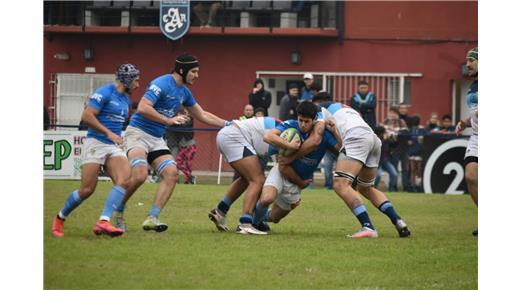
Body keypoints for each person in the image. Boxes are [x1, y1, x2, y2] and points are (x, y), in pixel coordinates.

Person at [115, 53, 230, 233]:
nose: (197, 75)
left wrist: (228, 124)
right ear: (182, 70)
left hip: (156, 139)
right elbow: (144, 107)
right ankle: (118, 210)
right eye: (194, 71)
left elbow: (202, 114)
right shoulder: (161, 83)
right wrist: (167, 120)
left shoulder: (184, 91)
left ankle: (152, 218)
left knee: (171, 174)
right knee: (139, 175)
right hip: (137, 134)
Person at [51, 63, 141, 237]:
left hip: (113, 146)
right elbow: (86, 116)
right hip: (95, 143)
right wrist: (109, 133)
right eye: (136, 81)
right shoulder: (104, 92)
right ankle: (60, 218)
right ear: (127, 80)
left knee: (125, 180)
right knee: (87, 190)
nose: (138, 85)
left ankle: (103, 221)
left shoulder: (125, 99)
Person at [303, 97, 411, 238]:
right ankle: (398, 221)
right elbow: (342, 140)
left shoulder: (321, 108)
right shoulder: (348, 110)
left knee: (341, 185)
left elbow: (317, 137)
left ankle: (368, 227)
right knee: (366, 188)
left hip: (356, 138)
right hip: (372, 139)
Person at [252, 102, 342, 232]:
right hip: (281, 172)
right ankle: (253, 224)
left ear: (314, 120)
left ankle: (260, 216)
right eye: (301, 120)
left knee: (274, 218)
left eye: (307, 121)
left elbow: (341, 150)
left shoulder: (324, 135)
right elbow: (268, 136)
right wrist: (289, 146)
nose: (303, 125)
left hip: (296, 183)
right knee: (266, 198)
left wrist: (336, 132)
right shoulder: (291, 126)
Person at [208, 116, 281, 235]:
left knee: (246, 179)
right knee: (257, 180)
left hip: (227, 135)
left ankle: (220, 211)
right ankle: (245, 223)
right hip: (234, 136)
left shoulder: (280, 128)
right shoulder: (287, 132)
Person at [456, 47, 478, 237]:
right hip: (478, 137)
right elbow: (475, 114)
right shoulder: (473, 86)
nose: (467, 64)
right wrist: (464, 123)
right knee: (471, 175)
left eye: (471, 60)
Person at [384, 107, 411, 191]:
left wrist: (395, 130)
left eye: (393, 113)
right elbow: (382, 132)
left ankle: (406, 187)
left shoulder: (401, 122)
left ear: (397, 114)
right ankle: (394, 187)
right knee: (394, 169)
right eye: (390, 113)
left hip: (404, 149)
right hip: (393, 149)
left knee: (405, 169)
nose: (391, 115)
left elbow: (406, 132)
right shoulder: (386, 122)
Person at [173, 108, 197, 184]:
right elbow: (174, 126)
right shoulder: (177, 121)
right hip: (182, 146)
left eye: (187, 112)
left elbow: (184, 125)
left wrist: (180, 120)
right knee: (178, 162)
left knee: (188, 164)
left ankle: (188, 180)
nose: (186, 114)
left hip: (190, 145)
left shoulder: (189, 120)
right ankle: (190, 177)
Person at [374, 126, 398, 192]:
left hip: (385, 161)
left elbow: (394, 145)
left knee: (394, 174)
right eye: (384, 133)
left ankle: (391, 189)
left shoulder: (386, 140)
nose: (385, 134)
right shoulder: (375, 139)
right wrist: (384, 140)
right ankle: (373, 189)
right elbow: (379, 147)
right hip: (376, 162)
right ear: (380, 133)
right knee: (378, 176)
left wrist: (393, 138)